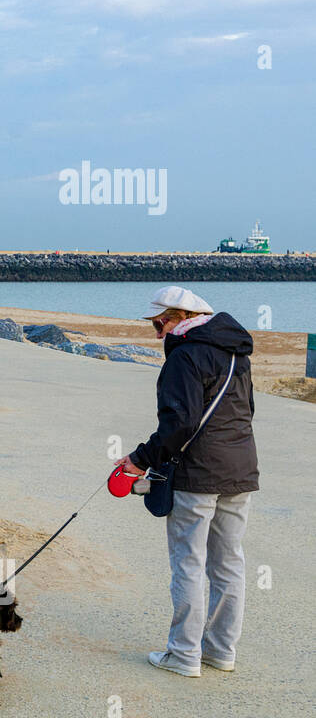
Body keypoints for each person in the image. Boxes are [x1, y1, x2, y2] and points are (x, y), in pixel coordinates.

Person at [117, 286, 259, 677]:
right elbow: (246, 412)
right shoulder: (235, 353)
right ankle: (220, 651)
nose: (158, 334)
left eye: (159, 324)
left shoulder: (185, 356)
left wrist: (138, 459)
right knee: (229, 564)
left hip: (198, 475)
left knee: (189, 565)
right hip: (240, 470)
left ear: (181, 317)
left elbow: (179, 423)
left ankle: (183, 655)